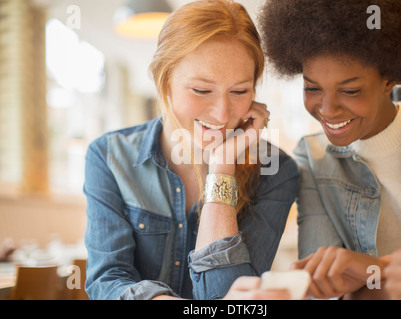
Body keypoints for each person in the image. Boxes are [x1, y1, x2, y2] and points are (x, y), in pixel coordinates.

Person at [83, 0, 298, 300]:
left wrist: (222, 166)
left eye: (239, 91)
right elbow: (106, 280)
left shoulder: (277, 170)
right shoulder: (109, 156)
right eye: (201, 90)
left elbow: (226, 297)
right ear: (165, 81)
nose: (222, 115)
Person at [259, 0, 401, 299]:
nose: (327, 109)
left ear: (389, 78)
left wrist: (377, 270)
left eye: (350, 91)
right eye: (312, 88)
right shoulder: (313, 160)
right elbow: (325, 289)